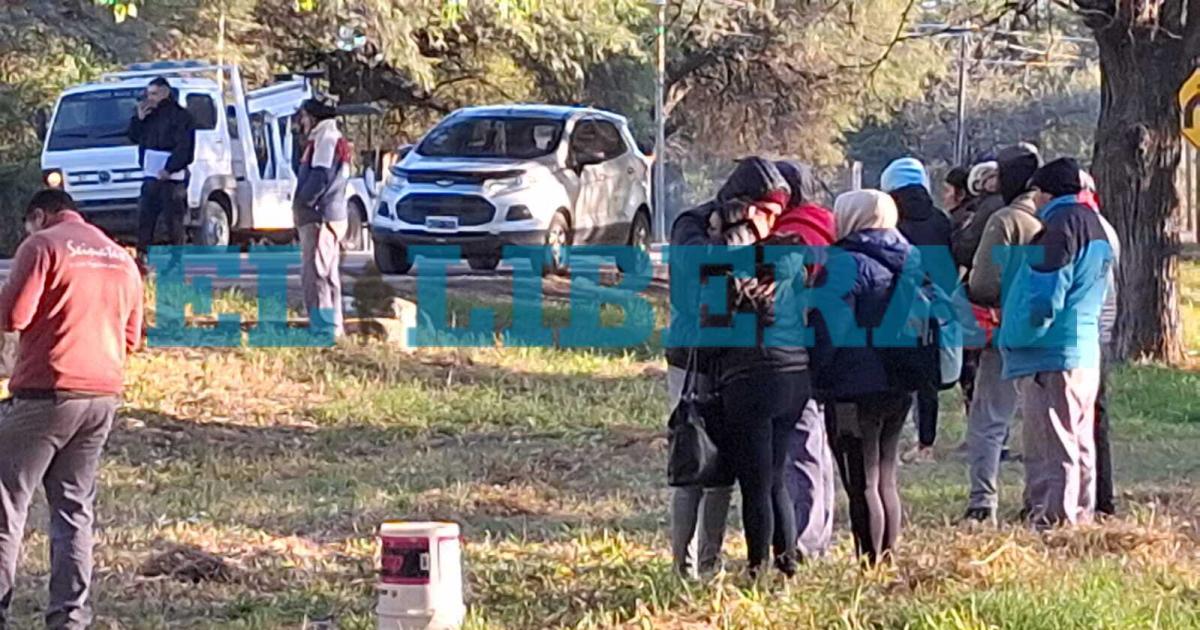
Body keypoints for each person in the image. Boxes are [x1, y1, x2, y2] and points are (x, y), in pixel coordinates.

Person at [0, 190, 143, 629]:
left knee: (7, 504)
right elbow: (132, 338)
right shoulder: (120, 258)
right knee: (73, 509)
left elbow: (12, 316)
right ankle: (70, 618)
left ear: (39, 215)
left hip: (46, 393)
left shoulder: (42, 245)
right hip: (102, 396)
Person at [703, 157, 811, 577]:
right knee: (776, 476)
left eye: (773, 212)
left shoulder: (734, 255)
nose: (771, 219)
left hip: (752, 375)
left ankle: (757, 567)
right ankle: (786, 567)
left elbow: (718, 310)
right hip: (793, 372)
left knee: (756, 482)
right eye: (765, 211)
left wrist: (735, 235)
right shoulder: (789, 250)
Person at [998, 157, 1114, 528]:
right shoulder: (1095, 224)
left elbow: (1046, 294)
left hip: (1053, 351)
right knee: (1080, 441)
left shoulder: (1058, 227)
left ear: (1045, 193)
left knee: (1051, 442)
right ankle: (1080, 513)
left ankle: (1054, 521)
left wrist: (1027, 332)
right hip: (1084, 348)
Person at [812, 189, 917, 565]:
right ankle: (888, 558)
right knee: (885, 475)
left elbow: (828, 332)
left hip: (852, 387)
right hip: (901, 381)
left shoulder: (844, 264)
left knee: (861, 482)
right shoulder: (911, 258)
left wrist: (814, 378)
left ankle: (870, 563)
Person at [963, 144, 1044, 524]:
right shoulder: (1055, 216)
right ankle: (1041, 499)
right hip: (1047, 335)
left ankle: (983, 501)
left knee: (989, 420)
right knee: (1041, 421)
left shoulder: (1006, 220)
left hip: (1003, 333)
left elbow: (983, 283)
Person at [665, 188, 736, 580]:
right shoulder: (690, 225)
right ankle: (683, 564)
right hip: (691, 357)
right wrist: (731, 239)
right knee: (692, 453)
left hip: (730, 358)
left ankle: (709, 561)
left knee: (721, 467)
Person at [773, 160, 837, 559]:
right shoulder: (825, 223)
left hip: (799, 349)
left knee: (802, 445)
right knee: (817, 444)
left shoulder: (793, 235)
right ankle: (817, 532)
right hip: (830, 346)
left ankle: (806, 540)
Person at [880, 157, 951, 464]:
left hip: (897, 301)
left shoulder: (890, 217)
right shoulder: (939, 219)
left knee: (893, 372)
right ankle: (926, 444)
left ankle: (892, 441)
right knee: (928, 378)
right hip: (934, 301)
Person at [1079, 171, 1120, 517]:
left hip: (1092, 333)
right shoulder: (1102, 225)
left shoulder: (1092, 227)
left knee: (1090, 419)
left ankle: (1099, 499)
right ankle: (1100, 499)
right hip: (1098, 331)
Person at [294, 97, 352, 337]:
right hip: (330, 214)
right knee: (327, 271)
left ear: (313, 117)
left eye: (304, 116)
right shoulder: (329, 138)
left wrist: (303, 203)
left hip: (320, 216)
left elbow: (321, 178)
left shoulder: (325, 140)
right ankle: (331, 324)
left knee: (317, 272)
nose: (302, 122)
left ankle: (324, 327)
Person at [129, 76, 195, 260]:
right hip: (150, 176)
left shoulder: (181, 116)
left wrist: (169, 168)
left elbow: (185, 147)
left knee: (174, 222)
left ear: (166, 93)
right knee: (145, 218)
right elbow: (133, 137)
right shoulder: (148, 116)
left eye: (154, 94)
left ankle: (177, 260)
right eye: (148, 94)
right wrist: (139, 119)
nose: (150, 98)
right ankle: (142, 256)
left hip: (172, 179)